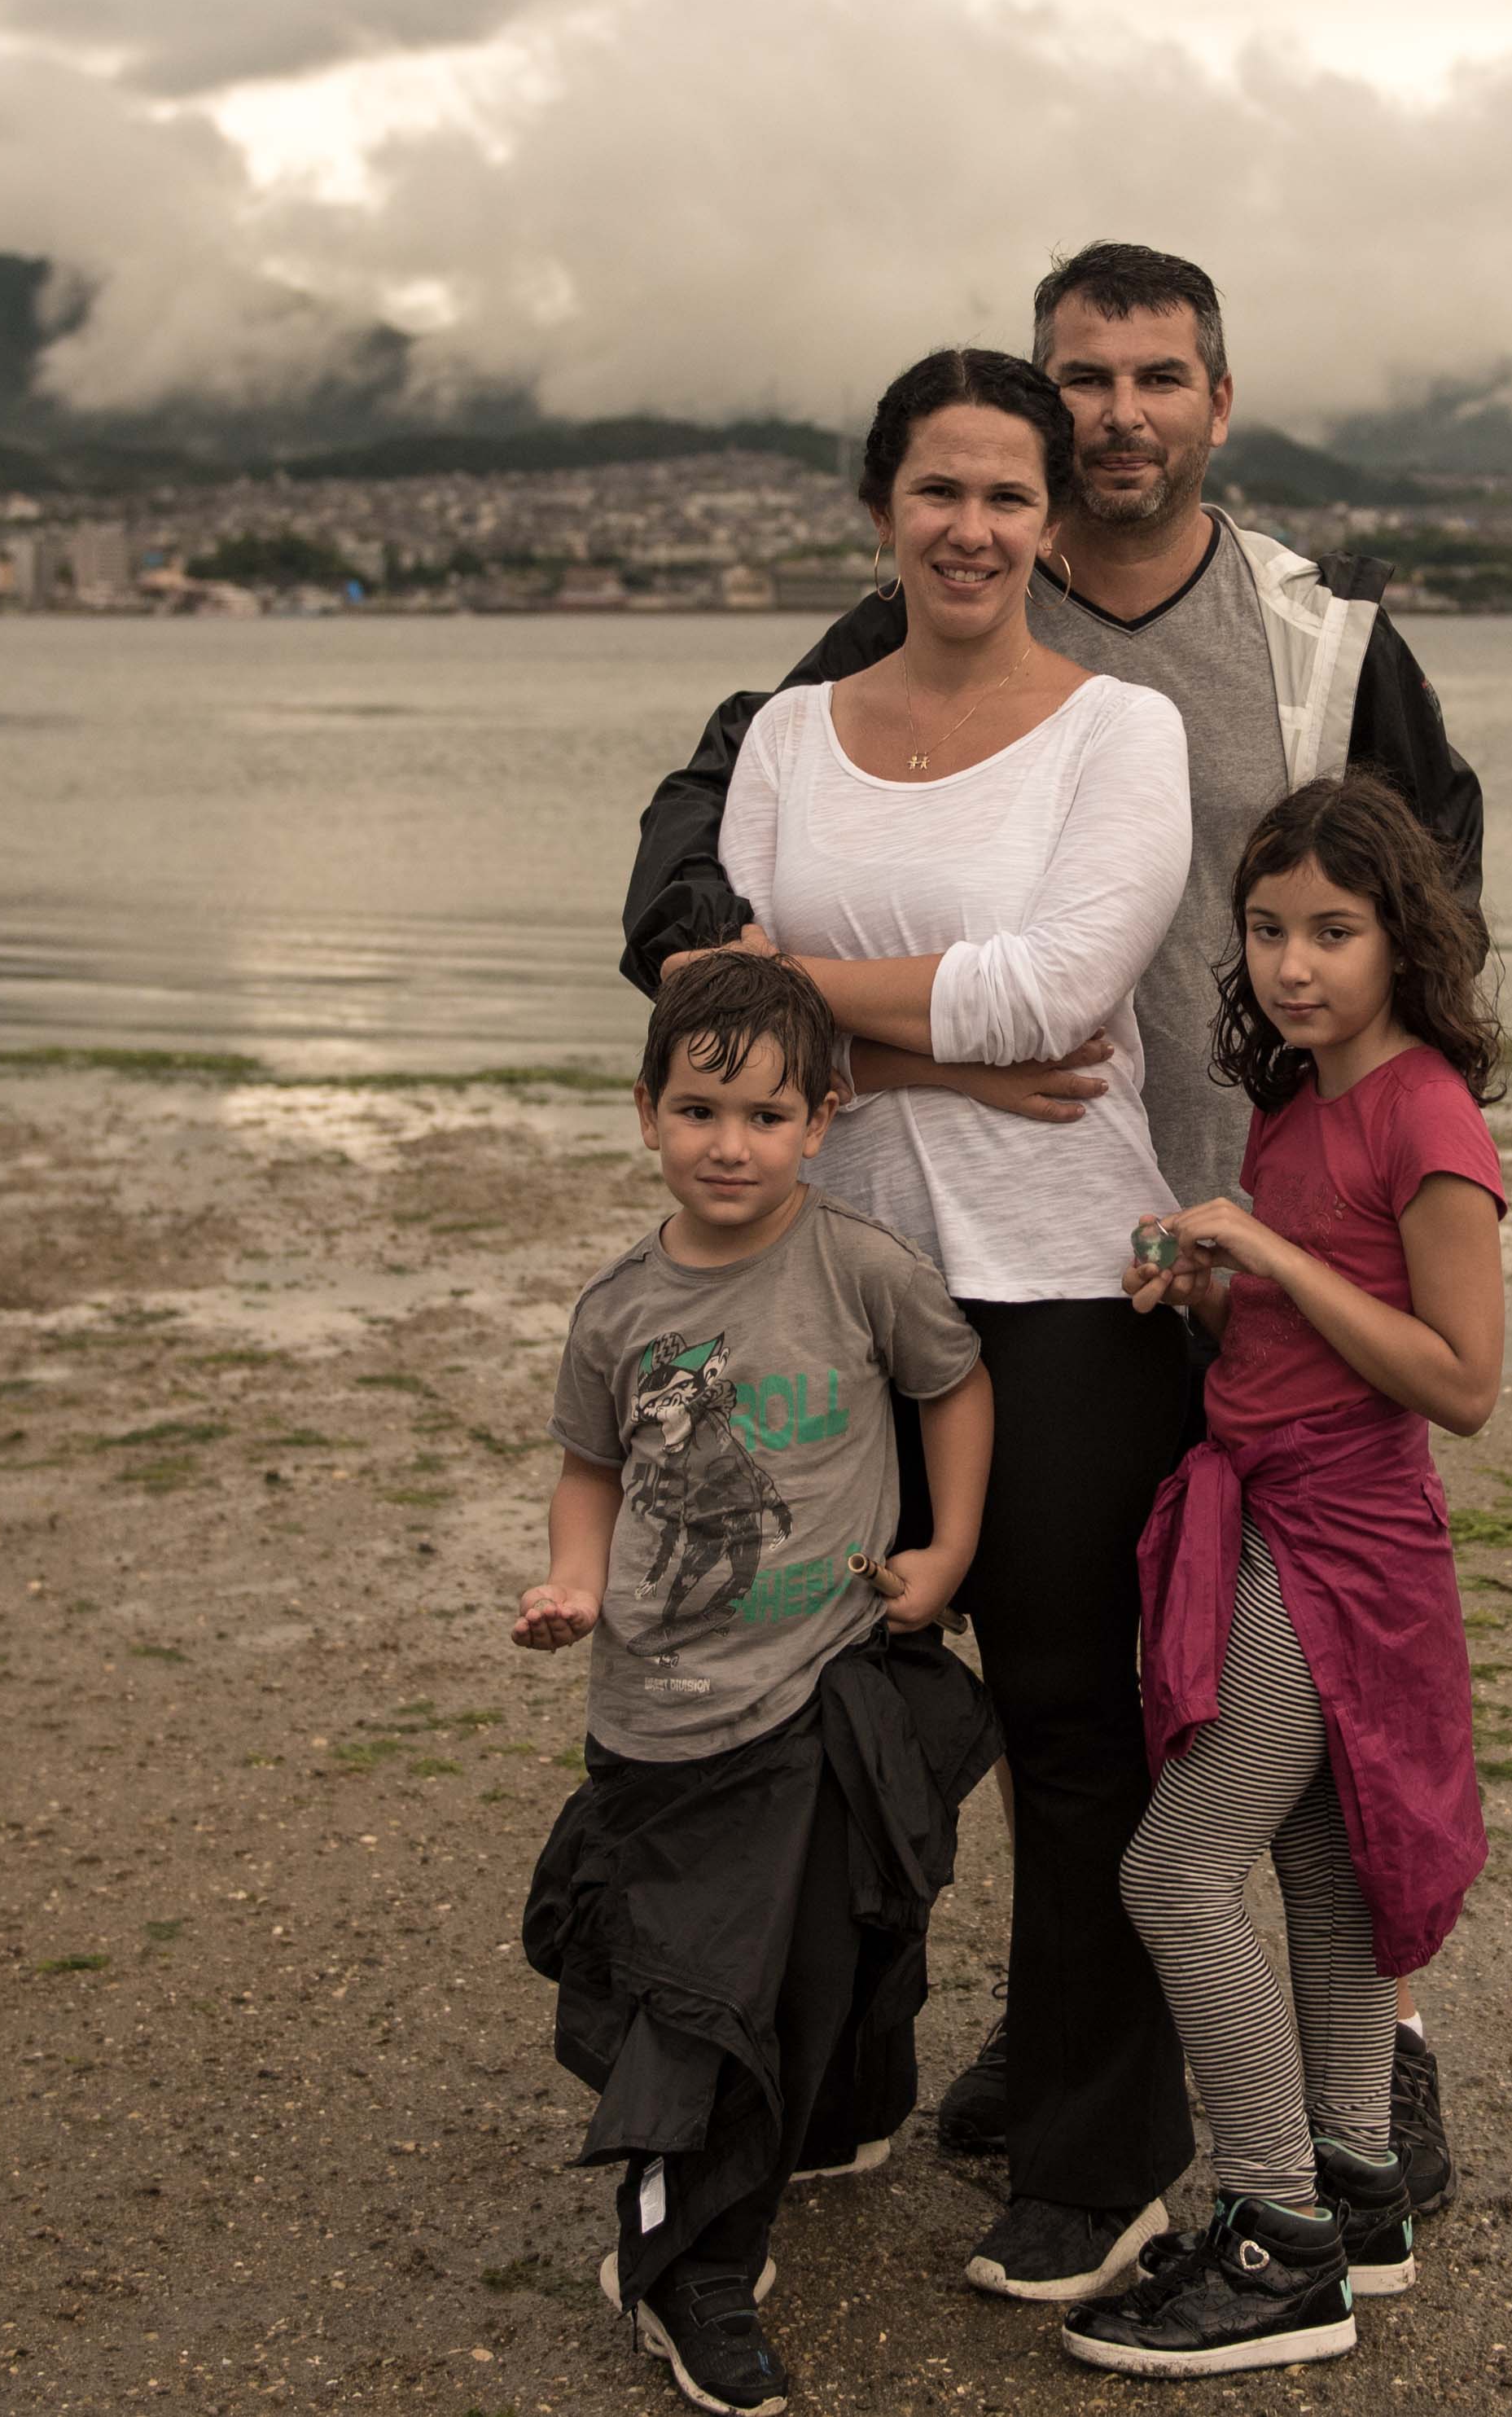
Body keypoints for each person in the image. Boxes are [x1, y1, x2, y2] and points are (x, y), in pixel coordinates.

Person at [620, 241, 1485, 2215]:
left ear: (1216, 404)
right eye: (1079, 378)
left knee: (1295, 1656)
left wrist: (1393, 1177)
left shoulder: (1315, 640)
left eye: (1156, 378)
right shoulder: (916, 607)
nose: (1115, 416)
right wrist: (807, 1009)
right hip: (1038, 1217)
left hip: (1258, 1226)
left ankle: (1374, 2055)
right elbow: (708, 831)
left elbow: (1428, 912)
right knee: (1086, 1672)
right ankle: (1070, 2019)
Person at [681, 343, 1207, 2305]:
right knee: (824, 1706)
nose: (970, 527)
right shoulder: (784, 732)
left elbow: (1058, 993)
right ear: (877, 509)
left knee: (1072, 1730)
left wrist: (814, 1003)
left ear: (1049, 525)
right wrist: (936, 1056)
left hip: (1065, 1285)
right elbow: (715, 1030)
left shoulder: (1118, 733)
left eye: (1006, 495)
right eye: (937, 490)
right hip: (827, 1288)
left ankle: (1092, 2152)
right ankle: (841, 2080)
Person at [515, 950, 1002, 2417]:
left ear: (821, 1121)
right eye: (698, 1110)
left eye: (767, 1116)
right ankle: (683, 2267)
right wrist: (573, 1583)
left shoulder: (860, 1267)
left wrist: (945, 1549)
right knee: (696, 1999)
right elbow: (589, 1471)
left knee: (805, 1971)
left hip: (818, 1691)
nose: (729, 1145)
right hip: (660, 1717)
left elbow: (953, 1384)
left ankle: (764, 2192)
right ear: (645, 1113)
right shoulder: (617, 1310)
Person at [1059, 774, 1505, 2378]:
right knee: (1320, 1870)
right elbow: (1300, 1335)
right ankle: (1357, 2192)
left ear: (1403, 938)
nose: (1292, 964)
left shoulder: (1426, 1116)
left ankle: (1272, 2238)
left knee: (1173, 1872)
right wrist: (1205, 1288)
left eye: (1333, 930)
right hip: (1266, 1510)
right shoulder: (1295, 1103)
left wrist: (1272, 1253)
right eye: (1263, 929)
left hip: (1343, 1545)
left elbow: (1460, 1381)